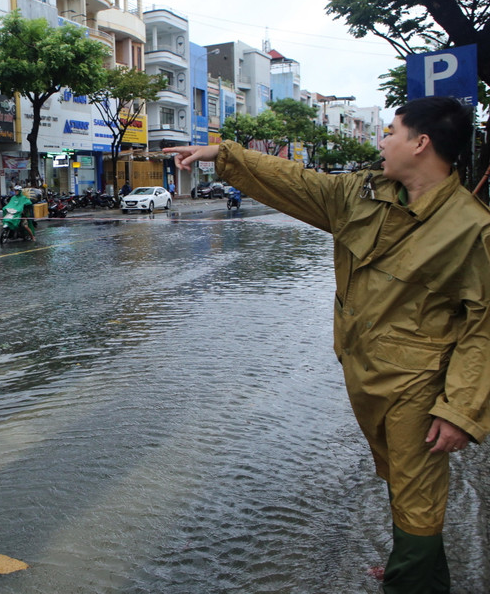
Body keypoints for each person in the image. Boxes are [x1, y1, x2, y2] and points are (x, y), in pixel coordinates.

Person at [165, 96, 488, 593]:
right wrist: (222, 155)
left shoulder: (472, 228)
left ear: (421, 144)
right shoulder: (361, 194)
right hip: (364, 375)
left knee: (416, 495)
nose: (382, 141)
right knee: (403, 486)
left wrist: (460, 407)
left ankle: (412, 581)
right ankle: (417, 567)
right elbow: (296, 181)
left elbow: (483, 326)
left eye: (392, 132)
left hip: (419, 389)